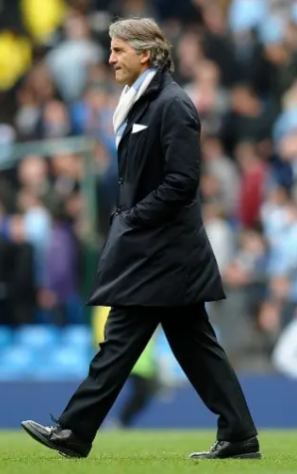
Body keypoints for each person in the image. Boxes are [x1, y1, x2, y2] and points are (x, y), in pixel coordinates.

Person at [20, 18, 260, 460]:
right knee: (195, 346)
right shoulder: (142, 101)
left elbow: (183, 181)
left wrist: (132, 218)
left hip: (163, 250)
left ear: (145, 54)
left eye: (118, 50)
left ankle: (74, 430)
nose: (110, 59)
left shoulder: (172, 105)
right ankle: (240, 434)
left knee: (122, 339)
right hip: (159, 249)